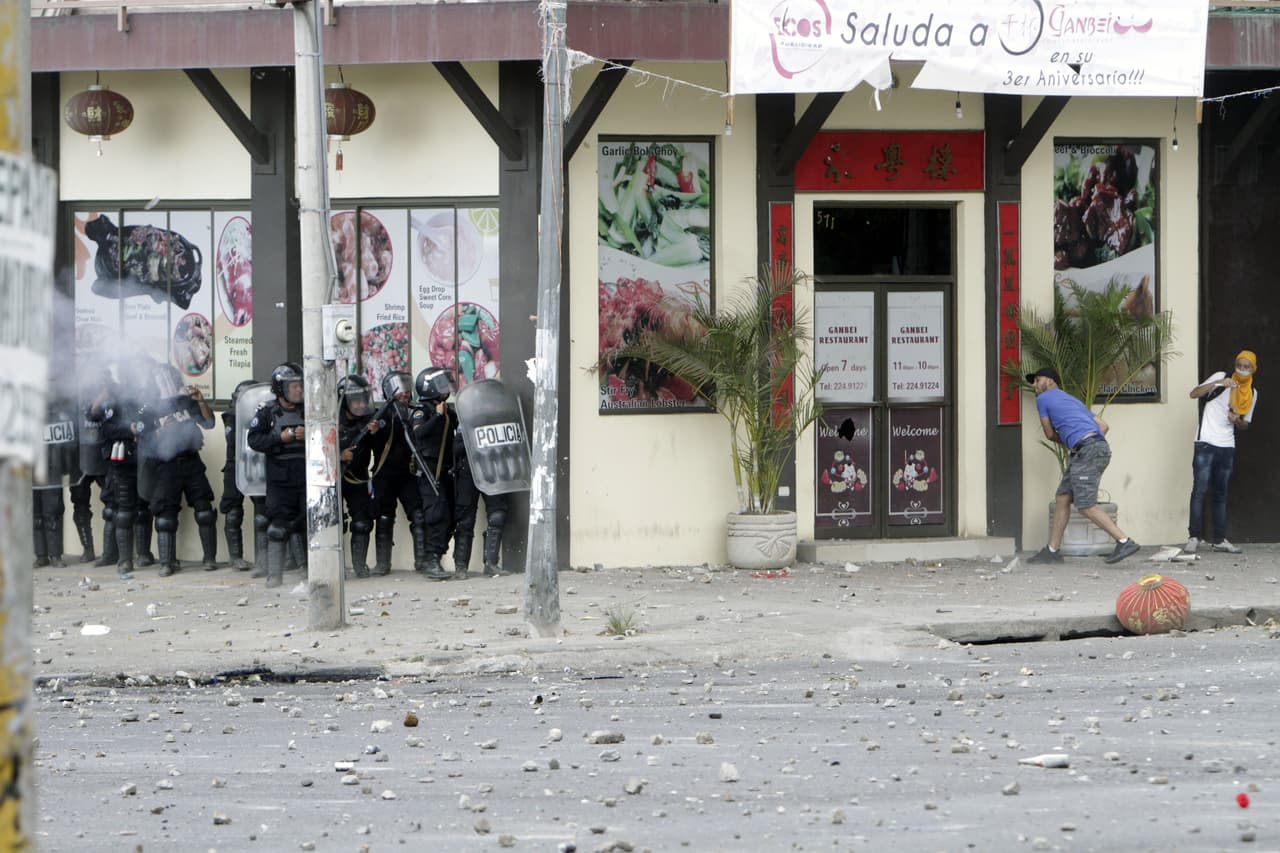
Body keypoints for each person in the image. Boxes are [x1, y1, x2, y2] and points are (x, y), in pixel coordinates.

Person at [1025, 367, 1140, 565]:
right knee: (1062, 497)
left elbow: (1049, 433)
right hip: (1090, 449)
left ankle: (1124, 541)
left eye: (1037, 380)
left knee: (1085, 504)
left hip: (1086, 451)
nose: (1034, 385)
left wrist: (1081, 443)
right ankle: (1052, 551)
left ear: (1051, 381)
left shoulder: (1043, 399)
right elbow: (1103, 426)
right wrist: (1087, 442)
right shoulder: (1072, 400)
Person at [140, 364, 218, 576]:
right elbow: (142, 441)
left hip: (191, 461)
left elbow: (209, 423)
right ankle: (167, 562)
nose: (166, 384)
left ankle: (210, 558)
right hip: (166, 466)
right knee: (165, 516)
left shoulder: (185, 401)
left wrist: (201, 401)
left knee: (205, 512)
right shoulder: (147, 409)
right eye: (161, 380)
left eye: (169, 380)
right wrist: (160, 432)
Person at [1185, 351, 1258, 554]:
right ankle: (1193, 537)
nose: (1242, 369)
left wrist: (1236, 420)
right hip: (1205, 442)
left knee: (1220, 493)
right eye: (1239, 365)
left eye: (1246, 367)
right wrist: (1219, 384)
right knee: (1199, 490)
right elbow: (1194, 394)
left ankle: (1219, 539)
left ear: (1253, 369)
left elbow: (1245, 424)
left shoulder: (1251, 393)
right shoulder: (1220, 376)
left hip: (1227, 446)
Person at [246, 362, 306, 588]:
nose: (299, 390)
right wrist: (279, 439)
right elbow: (253, 440)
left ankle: (308, 572)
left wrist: (308, 433)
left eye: (301, 386)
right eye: (294, 386)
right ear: (280, 388)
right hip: (280, 480)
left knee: (308, 527)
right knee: (277, 528)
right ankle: (275, 575)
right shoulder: (267, 413)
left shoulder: (311, 410)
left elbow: (331, 436)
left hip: (306, 478)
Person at [367, 371, 426, 576]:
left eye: (407, 390)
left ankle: (422, 561)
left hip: (407, 473)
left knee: (418, 516)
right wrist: (374, 431)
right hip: (385, 474)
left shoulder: (415, 411)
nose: (405, 394)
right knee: (384, 517)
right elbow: (372, 443)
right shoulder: (382, 414)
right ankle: (383, 564)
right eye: (399, 390)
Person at [410, 367, 456, 580]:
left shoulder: (447, 411)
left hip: (445, 470)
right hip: (429, 470)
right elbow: (419, 433)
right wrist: (437, 417)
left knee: (450, 514)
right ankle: (430, 560)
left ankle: (437, 554)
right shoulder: (423, 410)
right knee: (436, 514)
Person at [337, 374, 380, 578]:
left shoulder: (368, 420)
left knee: (362, 522)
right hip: (334, 479)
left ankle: (359, 565)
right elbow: (314, 452)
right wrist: (338, 456)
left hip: (359, 477)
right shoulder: (330, 420)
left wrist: (376, 433)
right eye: (356, 400)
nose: (361, 404)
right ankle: (333, 566)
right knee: (333, 524)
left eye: (364, 399)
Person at [219, 380, 261, 571]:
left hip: (257, 465)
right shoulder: (232, 417)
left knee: (263, 512)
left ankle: (263, 559)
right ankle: (236, 557)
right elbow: (234, 440)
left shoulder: (262, 416)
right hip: (235, 465)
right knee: (233, 512)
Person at [32, 397, 78, 569]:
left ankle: (55, 555)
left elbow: (66, 444)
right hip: (33, 469)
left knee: (53, 513)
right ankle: (41, 555)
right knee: (36, 515)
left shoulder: (57, 414)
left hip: (52, 468)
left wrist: (66, 467)